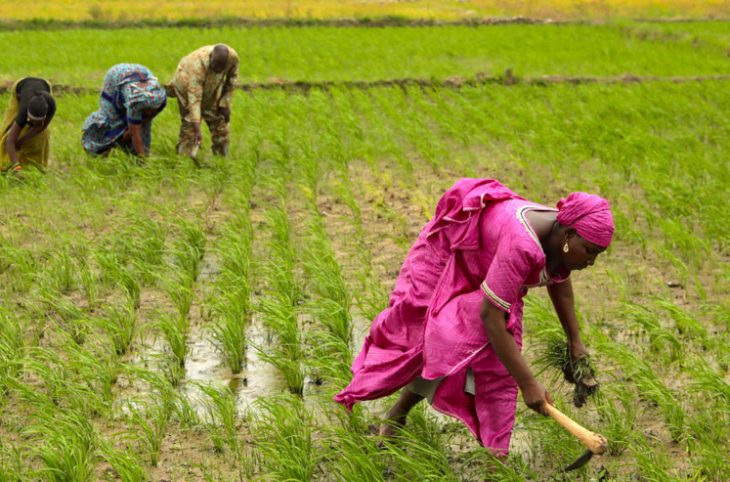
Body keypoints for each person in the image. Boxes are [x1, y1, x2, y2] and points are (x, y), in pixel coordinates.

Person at [334, 178, 614, 456]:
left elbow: (558, 279)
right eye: (589, 251)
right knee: (431, 340)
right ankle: (398, 413)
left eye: (598, 255)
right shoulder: (523, 243)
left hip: (492, 273)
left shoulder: (558, 236)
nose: (591, 262)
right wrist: (528, 384)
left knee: (497, 368)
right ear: (567, 236)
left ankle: (496, 459)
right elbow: (491, 317)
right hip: (450, 257)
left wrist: (574, 340)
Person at [167, 44, 239, 161]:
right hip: (186, 86)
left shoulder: (233, 57)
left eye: (221, 69)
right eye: (215, 67)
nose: (218, 71)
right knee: (189, 128)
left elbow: (232, 79)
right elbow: (194, 100)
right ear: (211, 58)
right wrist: (197, 128)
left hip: (211, 89)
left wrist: (225, 103)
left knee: (220, 124)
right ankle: (183, 161)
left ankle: (222, 161)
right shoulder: (197, 65)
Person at [82, 64, 166, 159]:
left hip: (139, 73)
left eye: (153, 110)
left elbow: (142, 124)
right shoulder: (135, 104)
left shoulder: (160, 99)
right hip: (115, 78)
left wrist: (132, 131)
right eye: (147, 110)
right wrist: (143, 160)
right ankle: (102, 151)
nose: (150, 113)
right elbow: (136, 135)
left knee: (142, 129)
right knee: (113, 123)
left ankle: (132, 154)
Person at [1, 77, 56, 172]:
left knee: (42, 135)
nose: (33, 124)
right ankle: (4, 163)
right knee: (9, 126)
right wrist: (16, 167)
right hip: (21, 86)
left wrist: (23, 140)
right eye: (31, 120)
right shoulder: (23, 112)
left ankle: (37, 165)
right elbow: (10, 140)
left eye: (37, 122)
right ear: (27, 115)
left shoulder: (51, 105)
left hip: (44, 84)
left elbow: (43, 126)